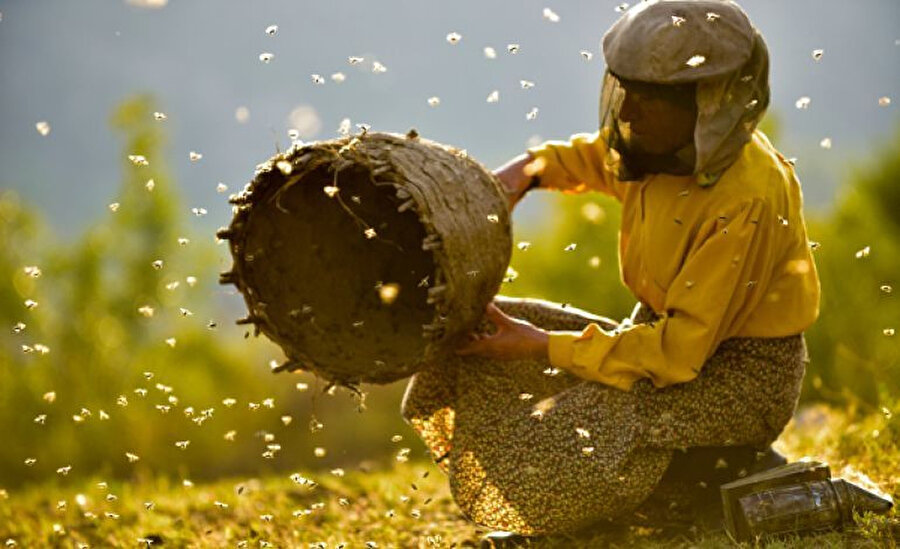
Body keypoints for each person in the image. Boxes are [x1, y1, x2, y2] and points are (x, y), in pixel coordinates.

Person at [400, 0, 821, 541]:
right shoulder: (662, 147)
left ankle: (708, 472)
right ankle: (683, 477)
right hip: (663, 345)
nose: (626, 115)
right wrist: (522, 176)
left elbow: (675, 354)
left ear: (706, 103)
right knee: (487, 333)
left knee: (582, 423)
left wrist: (537, 347)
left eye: (645, 101)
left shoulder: (746, 200)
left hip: (739, 379)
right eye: (626, 94)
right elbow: (594, 158)